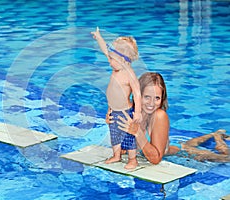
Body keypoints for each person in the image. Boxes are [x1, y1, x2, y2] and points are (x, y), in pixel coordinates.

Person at [115, 72, 230, 163]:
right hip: (174, 147)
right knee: (187, 144)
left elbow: (155, 159)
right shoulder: (131, 112)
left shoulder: (159, 116)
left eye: (157, 98)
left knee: (225, 158)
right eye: (147, 97)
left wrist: (138, 134)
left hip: (183, 155)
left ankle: (218, 138)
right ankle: (215, 134)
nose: (151, 103)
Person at [91, 27, 142, 169]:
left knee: (128, 136)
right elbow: (105, 51)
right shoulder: (116, 67)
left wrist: (137, 112)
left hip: (125, 112)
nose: (109, 60)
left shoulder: (129, 74)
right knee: (114, 135)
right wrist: (99, 38)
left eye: (112, 58)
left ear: (123, 60)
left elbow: (137, 93)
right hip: (113, 111)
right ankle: (116, 155)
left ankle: (133, 159)